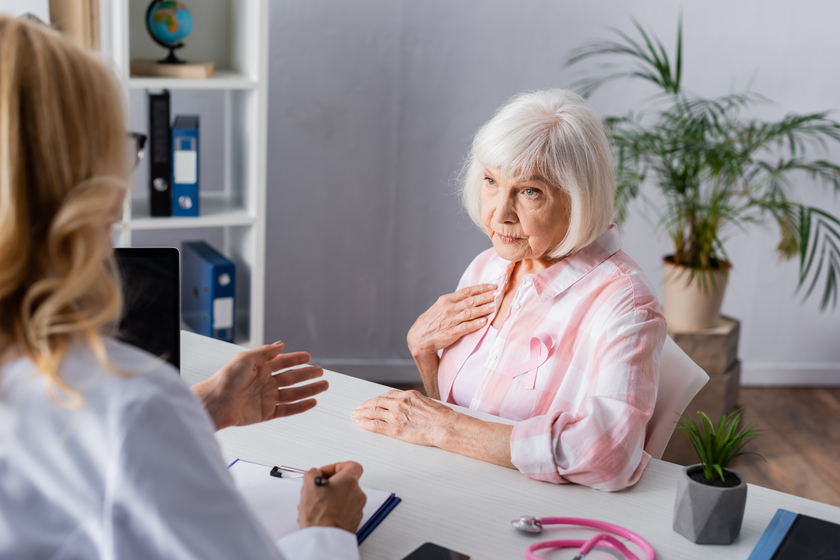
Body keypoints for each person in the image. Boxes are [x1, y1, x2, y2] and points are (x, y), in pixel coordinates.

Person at [0, 16, 366, 559]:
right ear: (71, 186)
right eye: (115, 152)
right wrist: (326, 529)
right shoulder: (127, 405)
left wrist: (206, 409)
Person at [352, 89, 667, 491]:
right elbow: (458, 412)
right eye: (491, 181)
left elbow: (610, 455)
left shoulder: (626, 304)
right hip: (451, 483)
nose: (500, 213)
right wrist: (425, 355)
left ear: (580, 198)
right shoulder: (490, 265)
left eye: (530, 191)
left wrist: (445, 428)